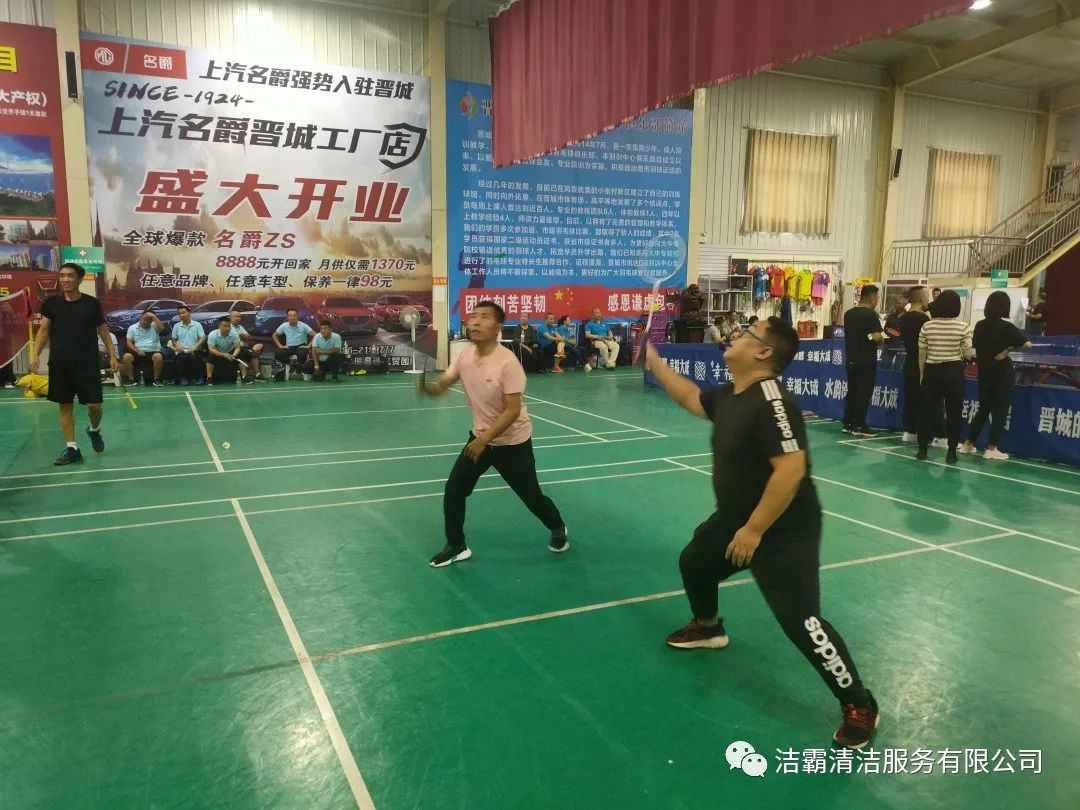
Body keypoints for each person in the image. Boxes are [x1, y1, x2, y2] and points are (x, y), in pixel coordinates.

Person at [644, 318, 878, 749]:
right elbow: (693, 398)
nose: (734, 335)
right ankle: (708, 627)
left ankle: (859, 703)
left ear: (763, 352)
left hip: (783, 530)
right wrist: (655, 364)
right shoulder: (732, 394)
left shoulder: (772, 401)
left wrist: (753, 531)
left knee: (802, 623)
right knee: (695, 562)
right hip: (737, 519)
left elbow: (790, 469)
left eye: (746, 333)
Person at [420, 300, 568, 567]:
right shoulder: (465, 356)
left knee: (532, 497)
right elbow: (446, 382)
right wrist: (432, 388)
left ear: (498, 327)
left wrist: (484, 440)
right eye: (474, 316)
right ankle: (456, 545)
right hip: (480, 438)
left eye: (484, 317)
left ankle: (558, 528)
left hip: (513, 443)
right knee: (454, 490)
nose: (476, 321)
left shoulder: (507, 363)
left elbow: (512, 411)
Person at [29, 262, 119, 465]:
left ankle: (94, 429)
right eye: (62, 276)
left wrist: (113, 356)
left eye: (70, 276)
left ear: (79, 279)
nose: (65, 279)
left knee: (94, 406)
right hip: (60, 363)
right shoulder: (51, 303)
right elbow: (43, 330)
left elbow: (103, 330)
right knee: (65, 406)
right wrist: (35, 355)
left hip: (87, 363)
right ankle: (72, 448)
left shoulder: (92, 304)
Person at [960, 291, 1031, 460]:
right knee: (1000, 410)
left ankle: (967, 444)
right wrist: (1007, 350)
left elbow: (975, 346)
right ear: (1005, 307)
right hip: (1002, 372)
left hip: (984, 372)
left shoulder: (979, 325)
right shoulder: (1007, 327)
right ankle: (991, 449)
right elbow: (1027, 344)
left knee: (983, 409)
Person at [916, 290, 973, 464]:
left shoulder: (927, 326)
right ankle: (951, 452)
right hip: (954, 371)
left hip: (932, 370)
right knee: (954, 412)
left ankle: (922, 449)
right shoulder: (963, 327)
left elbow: (922, 354)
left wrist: (922, 374)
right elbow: (968, 354)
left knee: (926, 411)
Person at [842, 284, 885, 437]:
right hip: (866, 360)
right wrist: (879, 338)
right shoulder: (870, 315)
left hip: (851, 359)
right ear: (872, 298)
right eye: (877, 298)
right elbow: (877, 337)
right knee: (863, 393)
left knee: (852, 391)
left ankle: (848, 423)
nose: (877, 301)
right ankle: (859, 425)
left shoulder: (848, 314)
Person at [122, 309, 165, 385]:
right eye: (144, 319)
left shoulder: (155, 326)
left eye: (149, 320)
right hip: (137, 351)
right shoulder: (132, 327)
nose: (146, 322)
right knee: (126, 356)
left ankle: (156, 380)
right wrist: (137, 351)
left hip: (153, 351)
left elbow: (162, 329)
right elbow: (129, 343)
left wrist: (154, 317)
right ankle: (131, 380)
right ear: (141, 317)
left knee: (158, 356)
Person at [170, 305, 206, 385]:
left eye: (183, 313)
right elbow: (174, 340)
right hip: (182, 350)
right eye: (179, 314)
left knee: (193, 357)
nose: (181, 315)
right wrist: (178, 346)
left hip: (195, 349)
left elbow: (202, 337)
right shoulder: (177, 326)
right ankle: (183, 378)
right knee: (182, 358)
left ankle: (200, 378)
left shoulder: (197, 325)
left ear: (189, 313)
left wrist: (195, 347)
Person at [228, 310, 264, 382]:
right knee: (242, 354)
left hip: (243, 346)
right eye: (236, 316)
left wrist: (242, 335)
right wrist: (240, 335)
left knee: (255, 352)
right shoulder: (227, 327)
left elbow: (248, 337)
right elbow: (231, 338)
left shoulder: (240, 327)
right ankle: (244, 376)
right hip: (233, 348)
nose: (238, 318)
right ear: (230, 317)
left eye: (239, 317)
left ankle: (258, 375)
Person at [205, 318, 243, 385]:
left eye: (229, 326)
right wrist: (223, 354)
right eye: (224, 326)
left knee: (241, 354)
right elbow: (211, 349)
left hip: (231, 352)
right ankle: (209, 378)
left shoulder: (234, 334)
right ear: (219, 326)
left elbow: (237, 347)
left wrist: (233, 355)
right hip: (218, 352)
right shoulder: (212, 334)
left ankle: (244, 376)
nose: (227, 328)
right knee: (210, 356)